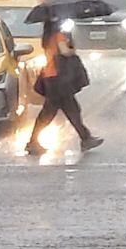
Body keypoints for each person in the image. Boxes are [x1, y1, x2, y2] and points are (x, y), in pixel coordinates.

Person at [25, 19, 103, 156]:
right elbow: (65, 51)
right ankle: (85, 139)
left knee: (53, 112)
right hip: (58, 79)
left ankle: (85, 138)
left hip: (50, 77)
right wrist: (72, 49)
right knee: (68, 110)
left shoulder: (47, 37)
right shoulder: (59, 35)